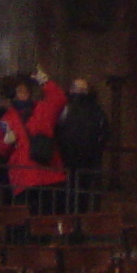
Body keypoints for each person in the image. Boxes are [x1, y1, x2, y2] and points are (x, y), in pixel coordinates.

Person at [0, 70, 67, 214]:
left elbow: (59, 99)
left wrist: (45, 83)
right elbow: (0, 150)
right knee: (27, 225)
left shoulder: (41, 109)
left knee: (47, 224)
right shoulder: (6, 120)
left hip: (49, 175)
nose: (24, 93)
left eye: (25, 90)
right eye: (19, 91)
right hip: (25, 178)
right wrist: (6, 142)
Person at [54, 78, 108, 214]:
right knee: (81, 199)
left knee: (70, 198)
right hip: (85, 161)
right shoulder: (96, 111)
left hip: (70, 161)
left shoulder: (66, 109)